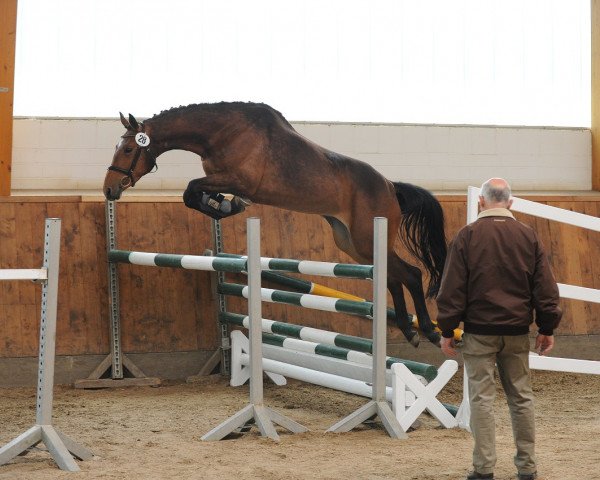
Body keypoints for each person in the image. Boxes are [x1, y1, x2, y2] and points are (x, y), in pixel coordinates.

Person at [436, 178, 562, 480]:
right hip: (517, 332)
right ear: (510, 202)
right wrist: (547, 327)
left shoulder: (466, 236)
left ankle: (483, 469)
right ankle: (527, 468)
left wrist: (447, 329)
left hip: (479, 333)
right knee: (521, 398)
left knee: (482, 399)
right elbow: (545, 289)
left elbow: (451, 289)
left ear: (481, 202)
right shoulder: (527, 236)